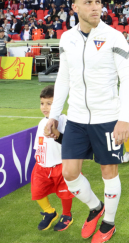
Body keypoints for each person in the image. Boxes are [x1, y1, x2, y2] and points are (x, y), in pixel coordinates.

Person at [44, 0, 129, 243]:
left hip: (108, 118)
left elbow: (127, 79)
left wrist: (124, 118)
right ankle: (96, 207)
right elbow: (63, 78)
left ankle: (108, 223)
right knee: (70, 173)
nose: (95, 7)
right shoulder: (67, 38)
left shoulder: (115, 37)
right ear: (75, 7)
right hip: (76, 118)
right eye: (89, 3)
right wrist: (55, 115)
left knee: (109, 173)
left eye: (98, 2)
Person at [31, 85, 75, 232]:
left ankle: (67, 215)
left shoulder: (64, 120)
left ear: (58, 104)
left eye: (49, 104)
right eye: (42, 103)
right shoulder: (42, 122)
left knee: (65, 192)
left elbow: (68, 142)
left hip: (59, 165)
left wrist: (56, 134)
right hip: (41, 166)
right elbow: (39, 143)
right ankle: (50, 212)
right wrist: (38, 156)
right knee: (37, 191)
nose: (44, 107)